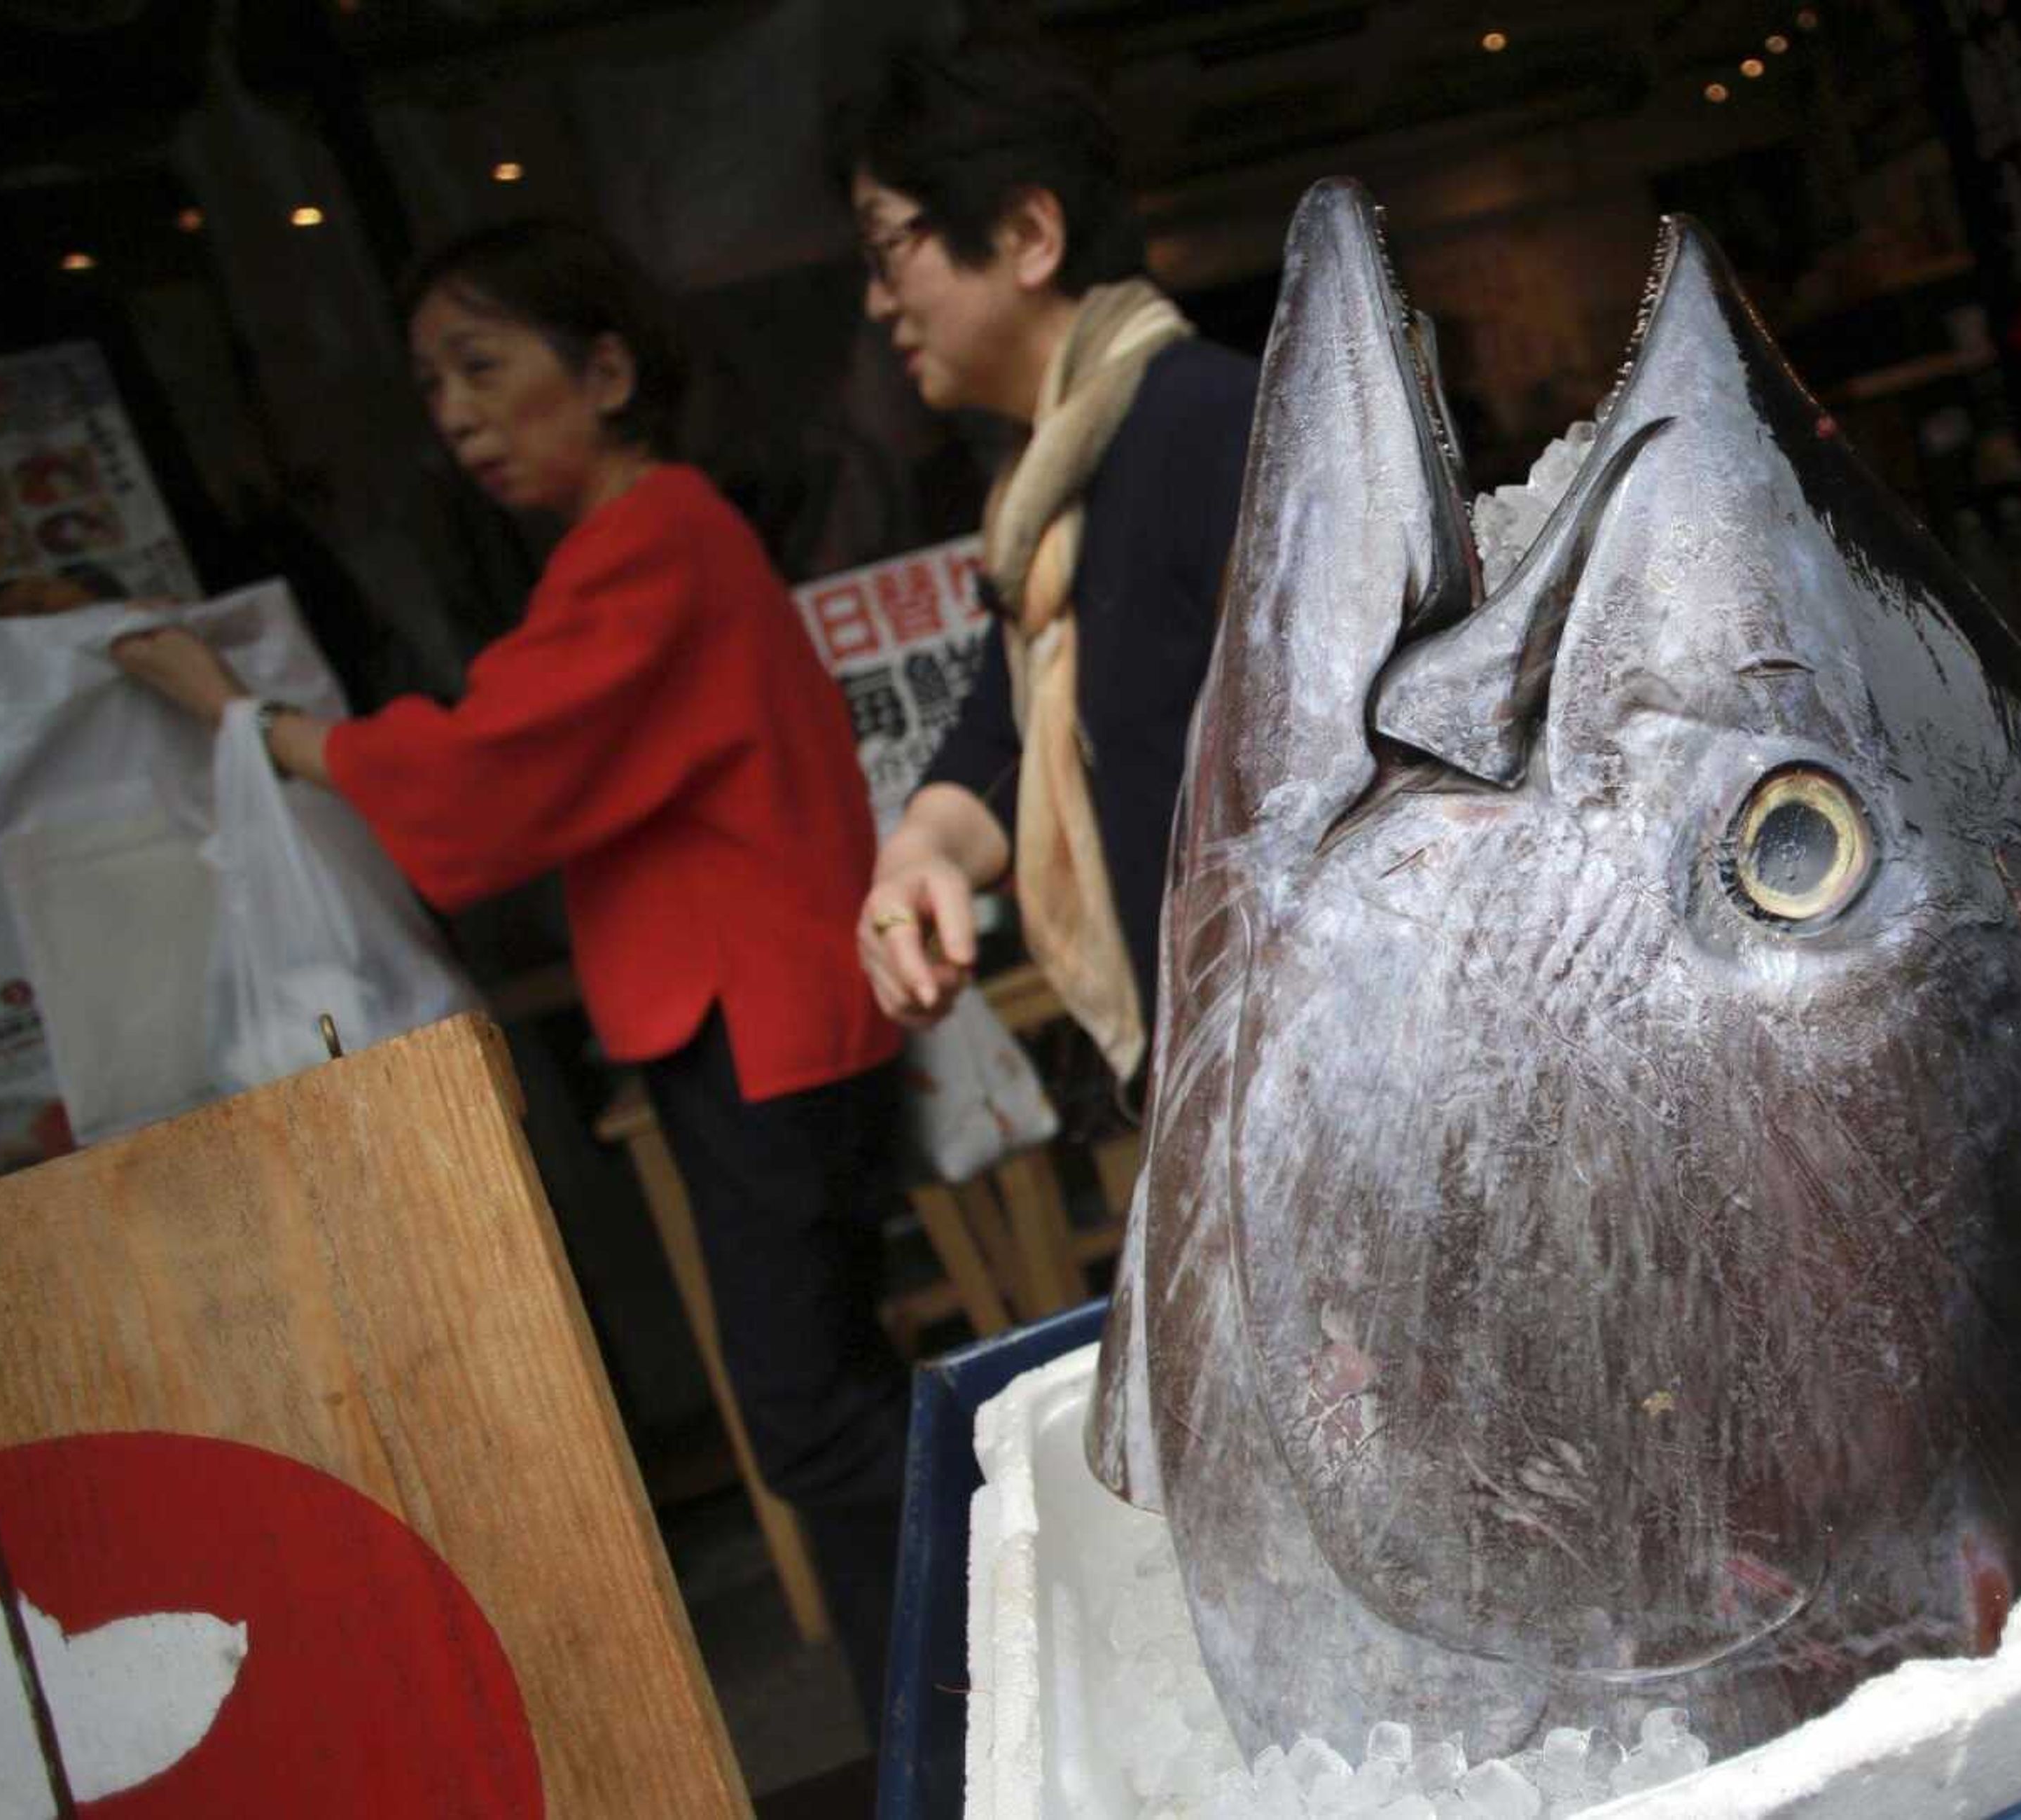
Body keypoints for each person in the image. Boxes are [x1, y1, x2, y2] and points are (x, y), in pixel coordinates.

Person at [109, 218, 911, 1731]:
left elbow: (484, 777)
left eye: (483, 366)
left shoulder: (652, 537)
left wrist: (249, 721)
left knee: (817, 1422)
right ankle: (943, 1704)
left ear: (606, 370)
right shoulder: (647, 541)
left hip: (755, 1023)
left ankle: (969, 1685)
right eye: (433, 385)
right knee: (832, 1399)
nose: (458, 414)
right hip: (763, 1019)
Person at [844, 36, 1258, 1097]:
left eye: (892, 249)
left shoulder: (1209, 423)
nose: (879, 303)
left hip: (1301, 1058)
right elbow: (1004, 735)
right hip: (1213, 1065)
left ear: (1029, 234)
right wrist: (918, 857)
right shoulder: (1045, 500)